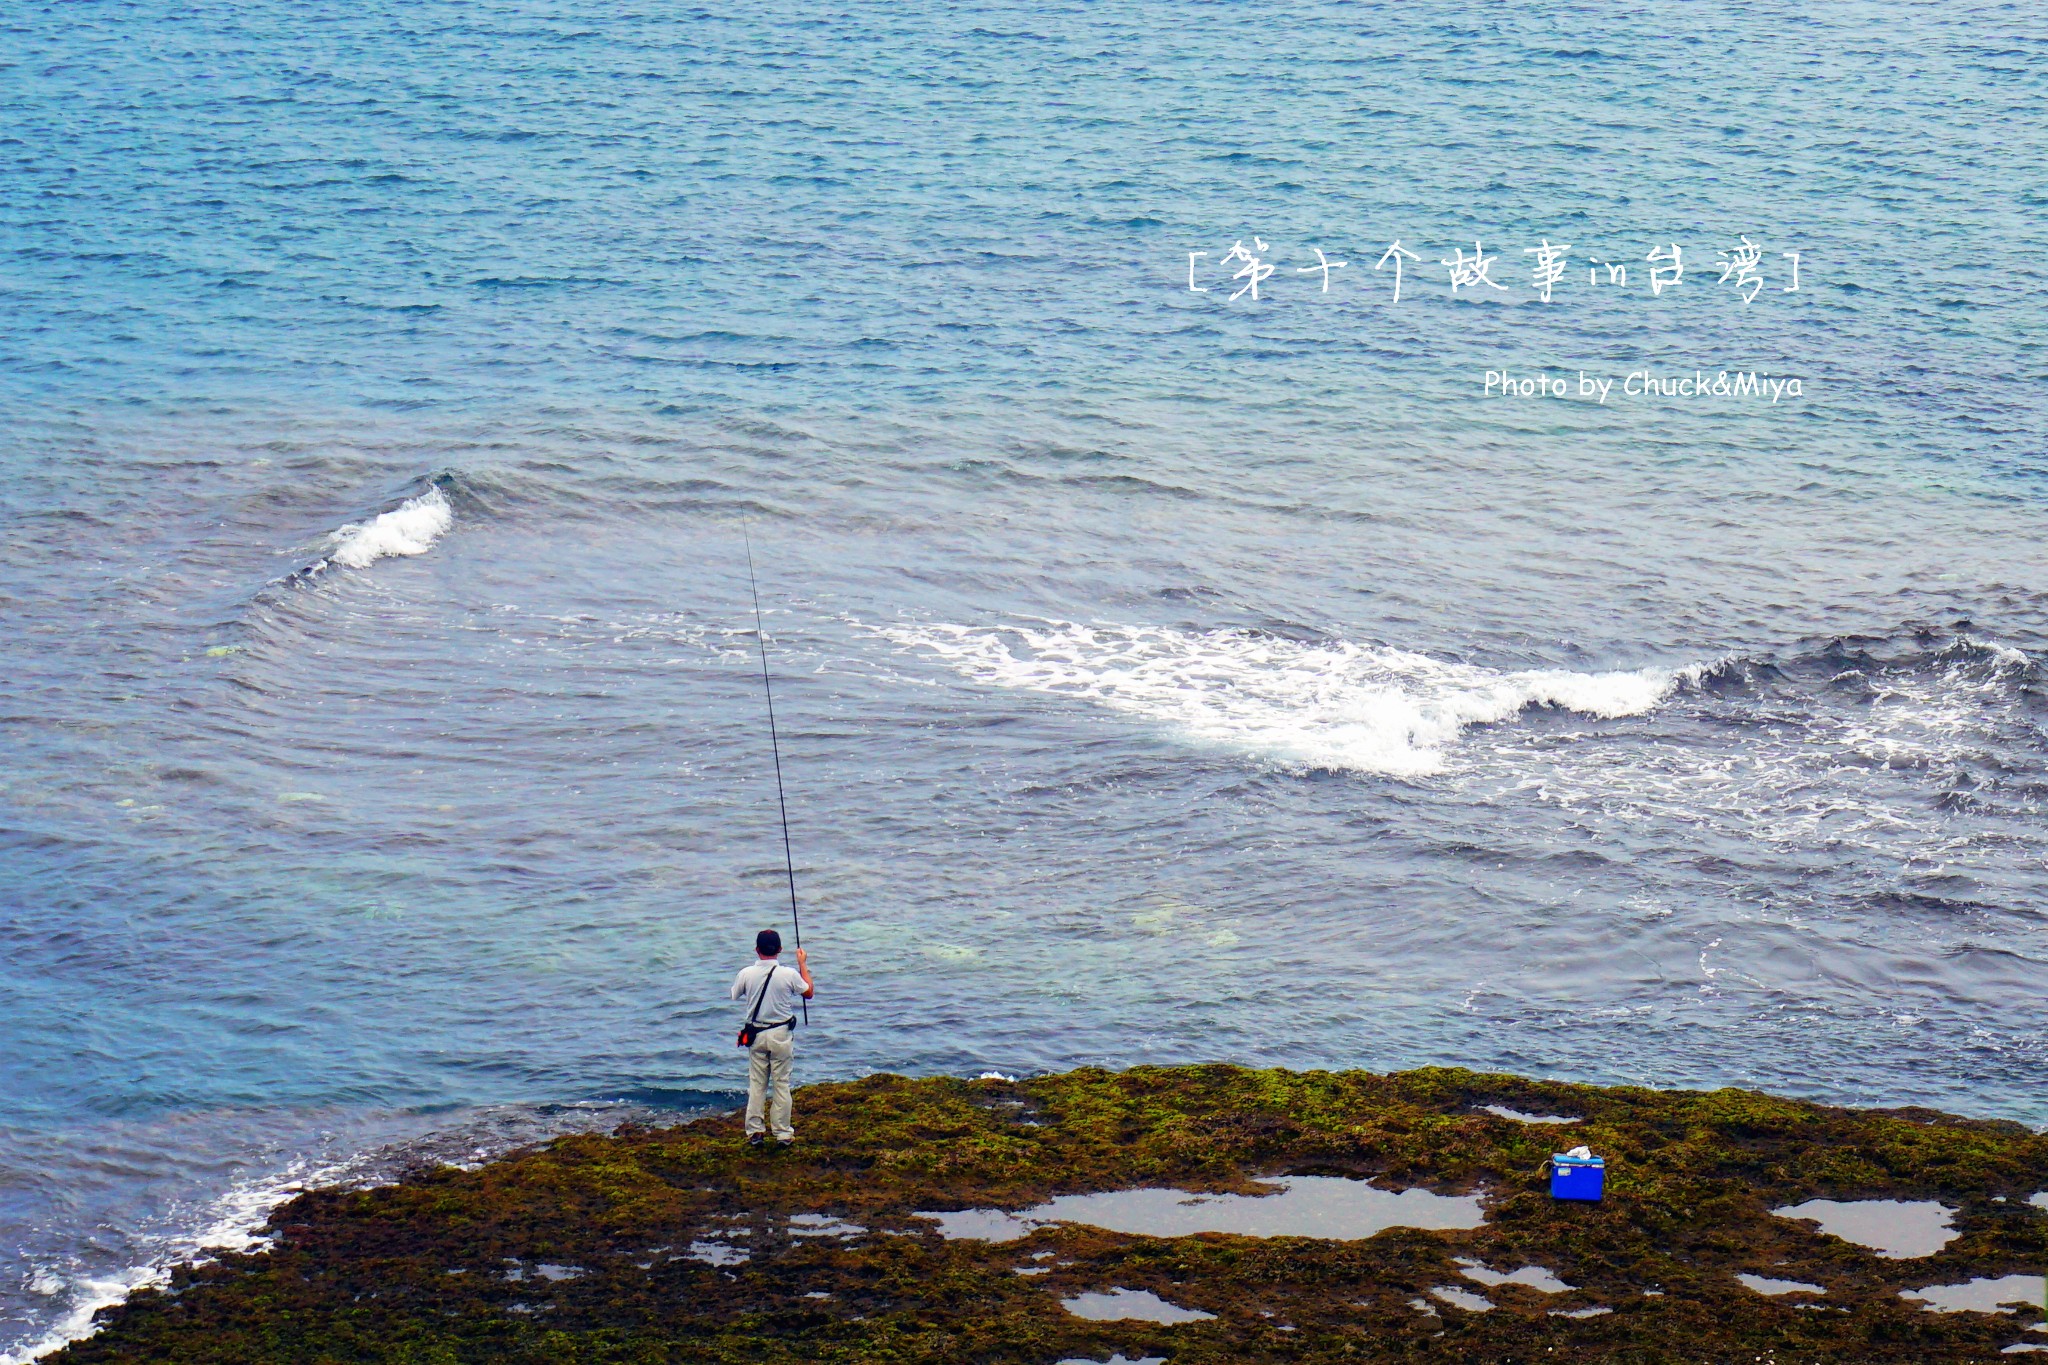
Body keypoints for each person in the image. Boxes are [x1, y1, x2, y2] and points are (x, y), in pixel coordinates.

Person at [730, 929, 813, 1146]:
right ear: (779, 950)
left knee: (757, 1084)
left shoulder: (746, 973)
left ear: (757, 950)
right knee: (781, 1084)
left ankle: (755, 1132)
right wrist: (802, 963)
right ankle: (783, 1133)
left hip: (756, 1035)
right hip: (781, 1035)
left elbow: (734, 994)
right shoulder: (788, 974)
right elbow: (809, 992)